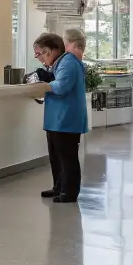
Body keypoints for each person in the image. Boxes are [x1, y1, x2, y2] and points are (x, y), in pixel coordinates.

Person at [31, 30, 88, 203]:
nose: (39, 57)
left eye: (40, 53)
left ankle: (69, 192)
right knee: (56, 157)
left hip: (66, 119)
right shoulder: (59, 64)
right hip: (57, 120)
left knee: (67, 157)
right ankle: (59, 187)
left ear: (50, 50)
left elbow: (62, 86)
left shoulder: (68, 62)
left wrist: (44, 85)